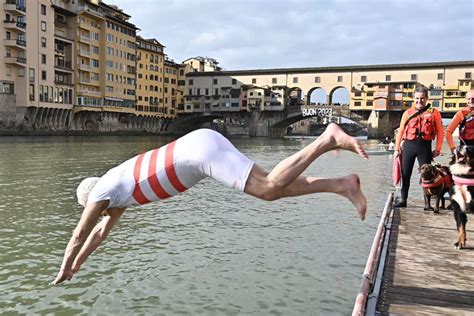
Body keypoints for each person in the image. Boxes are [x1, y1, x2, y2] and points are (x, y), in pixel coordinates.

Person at [52, 124, 368, 285]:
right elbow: (99, 235)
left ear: (91, 201)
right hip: (198, 146)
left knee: (269, 188)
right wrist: (79, 265)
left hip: (198, 155)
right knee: (274, 186)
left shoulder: (101, 194)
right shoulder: (116, 190)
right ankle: (343, 184)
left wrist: (64, 266)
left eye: (93, 210)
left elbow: (81, 234)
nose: (100, 215)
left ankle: (327, 139)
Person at [393, 86, 444, 208]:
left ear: (426, 99)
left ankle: (428, 204)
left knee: (427, 175)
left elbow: (440, 132)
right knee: (405, 175)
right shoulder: (407, 113)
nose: (419, 101)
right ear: (413, 99)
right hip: (409, 147)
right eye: (416, 98)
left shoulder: (434, 112)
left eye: (422, 98)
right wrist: (396, 149)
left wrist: (438, 148)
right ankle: (403, 200)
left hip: (424, 147)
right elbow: (400, 131)